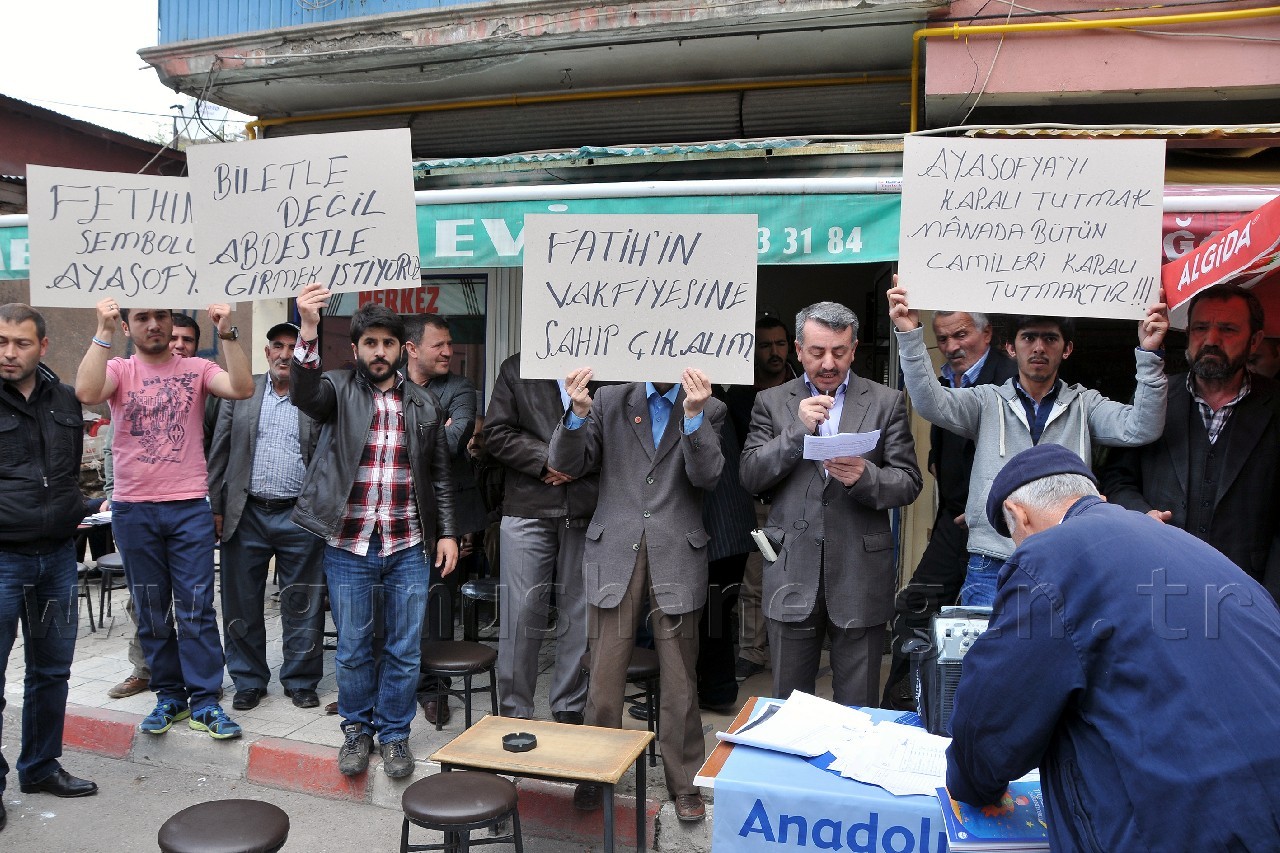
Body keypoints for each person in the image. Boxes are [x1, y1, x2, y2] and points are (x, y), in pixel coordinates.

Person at [946, 443, 1280, 852]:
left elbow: (990, 725)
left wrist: (969, 782)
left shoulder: (1049, 557)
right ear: (1096, 498)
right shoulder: (1184, 544)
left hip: (1185, 825)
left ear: (1018, 516)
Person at [888, 278, 1169, 606]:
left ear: (1066, 349)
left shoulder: (1084, 404)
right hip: (991, 559)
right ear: (1011, 347)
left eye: (1050, 339)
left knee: (1053, 654)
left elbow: (1141, 427)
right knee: (994, 654)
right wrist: (910, 334)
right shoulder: (986, 401)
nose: (1039, 348)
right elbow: (929, 402)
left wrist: (1149, 353)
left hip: (1064, 558)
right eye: (1029, 338)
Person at [289, 282, 458, 779]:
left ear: (400, 349)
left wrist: (446, 532)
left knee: (404, 650)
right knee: (356, 648)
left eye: (387, 343)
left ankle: (395, 735)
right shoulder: (336, 390)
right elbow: (303, 390)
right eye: (369, 343)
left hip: (408, 545)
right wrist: (309, 326)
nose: (378, 352)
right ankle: (357, 731)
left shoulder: (424, 404)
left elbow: (441, 476)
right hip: (348, 545)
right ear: (356, 349)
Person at [549, 365, 725, 822]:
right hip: (615, 549)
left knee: (681, 678)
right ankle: (594, 772)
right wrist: (575, 414)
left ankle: (685, 783)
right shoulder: (609, 401)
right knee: (604, 675)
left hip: (678, 552)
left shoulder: (711, 404)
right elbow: (567, 464)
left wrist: (693, 417)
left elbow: (708, 476)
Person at [75, 301, 253, 740]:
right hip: (134, 509)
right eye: (141, 318)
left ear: (172, 321)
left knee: (195, 609)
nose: (153, 325)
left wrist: (227, 331)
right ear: (127, 325)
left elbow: (244, 387)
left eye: (161, 316)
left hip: (188, 505)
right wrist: (101, 330)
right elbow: (86, 391)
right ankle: (168, 696)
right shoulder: (118, 368)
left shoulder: (196, 368)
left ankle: (206, 701)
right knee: (152, 611)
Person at [740, 301, 922, 707]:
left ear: (854, 350)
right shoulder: (772, 403)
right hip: (791, 567)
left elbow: (909, 482)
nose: (828, 363)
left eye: (839, 352)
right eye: (818, 352)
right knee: (789, 707)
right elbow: (750, 475)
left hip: (861, 571)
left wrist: (865, 477)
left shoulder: (885, 401)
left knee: (857, 709)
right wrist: (795, 432)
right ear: (798, 350)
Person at [1101, 285, 1280, 597]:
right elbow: (1117, 479)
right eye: (1200, 328)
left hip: (1248, 594)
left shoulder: (1276, 405)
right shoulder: (1155, 397)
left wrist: (1271, 603)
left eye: (1227, 329)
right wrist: (1140, 513)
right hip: (1156, 584)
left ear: (1255, 341)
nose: (1211, 340)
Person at [882, 310, 1016, 709]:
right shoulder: (943, 377)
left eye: (961, 335)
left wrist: (986, 505)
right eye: (942, 338)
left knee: (988, 625)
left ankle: (967, 707)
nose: (952, 346)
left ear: (987, 331)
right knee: (915, 607)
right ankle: (904, 704)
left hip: (997, 527)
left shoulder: (1012, 378)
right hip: (952, 520)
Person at [0, 303, 98, 829]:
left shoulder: (64, 398)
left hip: (59, 556)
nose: (9, 352)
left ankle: (39, 766)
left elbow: (65, 475)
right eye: (0, 342)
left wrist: (82, 510)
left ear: (42, 346)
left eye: (19, 343)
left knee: (51, 671)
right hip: (3, 558)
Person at [208, 322, 326, 711]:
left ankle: (301, 679)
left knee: (302, 601)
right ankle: (248, 679)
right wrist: (216, 507)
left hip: (299, 515)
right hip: (247, 513)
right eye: (278, 346)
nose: (285, 353)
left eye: (293, 347)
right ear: (266, 352)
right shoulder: (241, 391)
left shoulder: (315, 395)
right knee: (241, 602)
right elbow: (220, 451)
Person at [484, 352, 597, 724]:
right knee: (519, 615)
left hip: (584, 505)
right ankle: (515, 712)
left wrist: (575, 463)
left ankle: (569, 707)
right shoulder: (518, 366)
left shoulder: (609, 365)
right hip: (527, 505)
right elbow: (495, 433)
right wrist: (549, 459)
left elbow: (622, 435)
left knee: (579, 614)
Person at [403, 313, 485, 726]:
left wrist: (405, 435)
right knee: (390, 604)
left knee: (436, 604)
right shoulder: (389, 384)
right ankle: (391, 686)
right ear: (412, 348)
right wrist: (435, 427)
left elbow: (452, 445)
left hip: (445, 516)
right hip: (396, 512)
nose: (449, 352)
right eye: (439, 345)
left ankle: (435, 690)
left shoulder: (461, 387)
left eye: (450, 344)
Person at [726, 314, 797, 682]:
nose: (774, 352)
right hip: (754, 503)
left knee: (796, 577)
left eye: (780, 343)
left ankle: (789, 647)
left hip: (797, 501)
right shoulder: (739, 394)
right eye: (766, 345)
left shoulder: (806, 386)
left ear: (791, 346)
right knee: (754, 580)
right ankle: (752, 651)